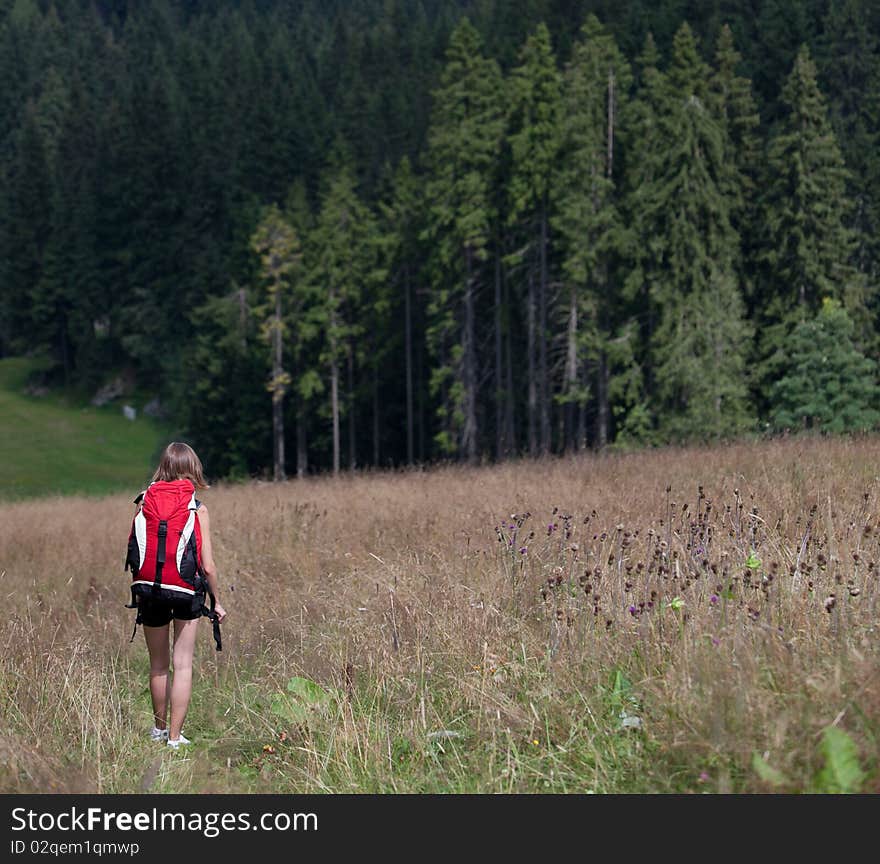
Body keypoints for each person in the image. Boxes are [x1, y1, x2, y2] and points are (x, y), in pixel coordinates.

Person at [132, 442, 227, 749]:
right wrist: (217, 601)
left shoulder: (144, 500)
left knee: (158, 664)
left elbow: (138, 551)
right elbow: (208, 565)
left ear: (164, 467)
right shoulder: (197, 509)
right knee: (182, 663)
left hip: (149, 590)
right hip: (187, 592)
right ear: (192, 469)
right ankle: (174, 738)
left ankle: (158, 729)